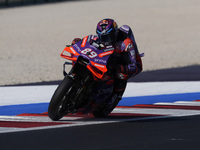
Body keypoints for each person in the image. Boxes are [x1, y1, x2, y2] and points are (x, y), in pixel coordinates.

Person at [72, 18, 143, 106]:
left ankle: (115, 96)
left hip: (127, 62)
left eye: (109, 37)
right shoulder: (101, 39)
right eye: (103, 37)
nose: (106, 40)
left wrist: (123, 68)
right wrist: (78, 43)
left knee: (120, 74)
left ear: (115, 33)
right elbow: (89, 43)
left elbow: (135, 66)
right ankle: (75, 75)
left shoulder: (125, 44)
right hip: (110, 56)